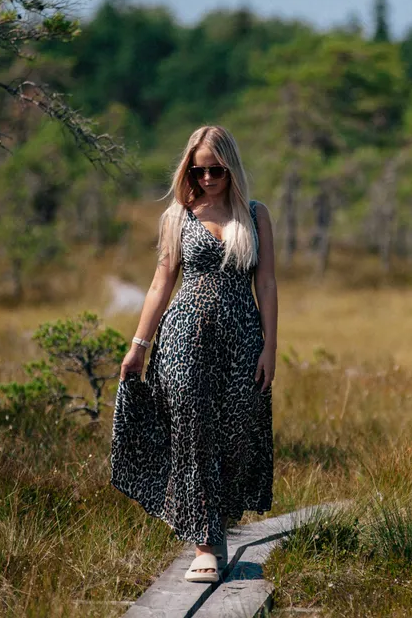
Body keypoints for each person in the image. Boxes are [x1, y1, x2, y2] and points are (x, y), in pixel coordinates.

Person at [117, 125, 277, 584]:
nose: (207, 179)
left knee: (236, 434)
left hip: (242, 341)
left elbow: (266, 283)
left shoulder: (255, 215)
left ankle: (216, 524)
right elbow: (160, 284)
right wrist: (138, 346)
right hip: (184, 340)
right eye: (198, 170)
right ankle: (205, 544)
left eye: (216, 170)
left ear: (231, 168)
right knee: (193, 433)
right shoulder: (178, 216)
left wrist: (270, 347)